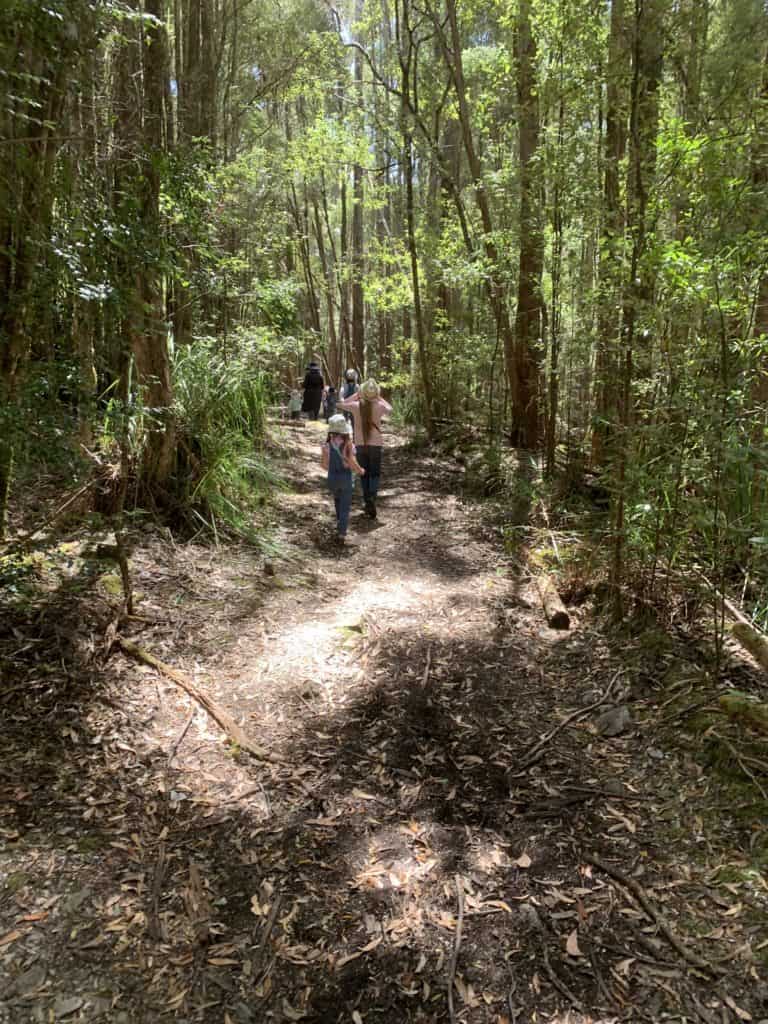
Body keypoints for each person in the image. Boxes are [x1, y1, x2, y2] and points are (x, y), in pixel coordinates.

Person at [337, 378, 391, 519]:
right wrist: (378, 397)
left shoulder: (355, 405)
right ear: (375, 393)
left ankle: (368, 501)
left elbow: (341, 404)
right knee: (375, 473)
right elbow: (390, 409)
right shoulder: (379, 406)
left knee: (364, 473)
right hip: (376, 445)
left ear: (362, 392)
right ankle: (372, 497)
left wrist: (357, 395)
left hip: (360, 444)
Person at [321, 414, 364, 544]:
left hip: (332, 479)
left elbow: (324, 465)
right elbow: (351, 461)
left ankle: (340, 524)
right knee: (345, 506)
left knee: (337, 501)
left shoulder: (327, 445)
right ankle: (341, 533)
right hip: (345, 479)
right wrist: (360, 470)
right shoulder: (348, 444)